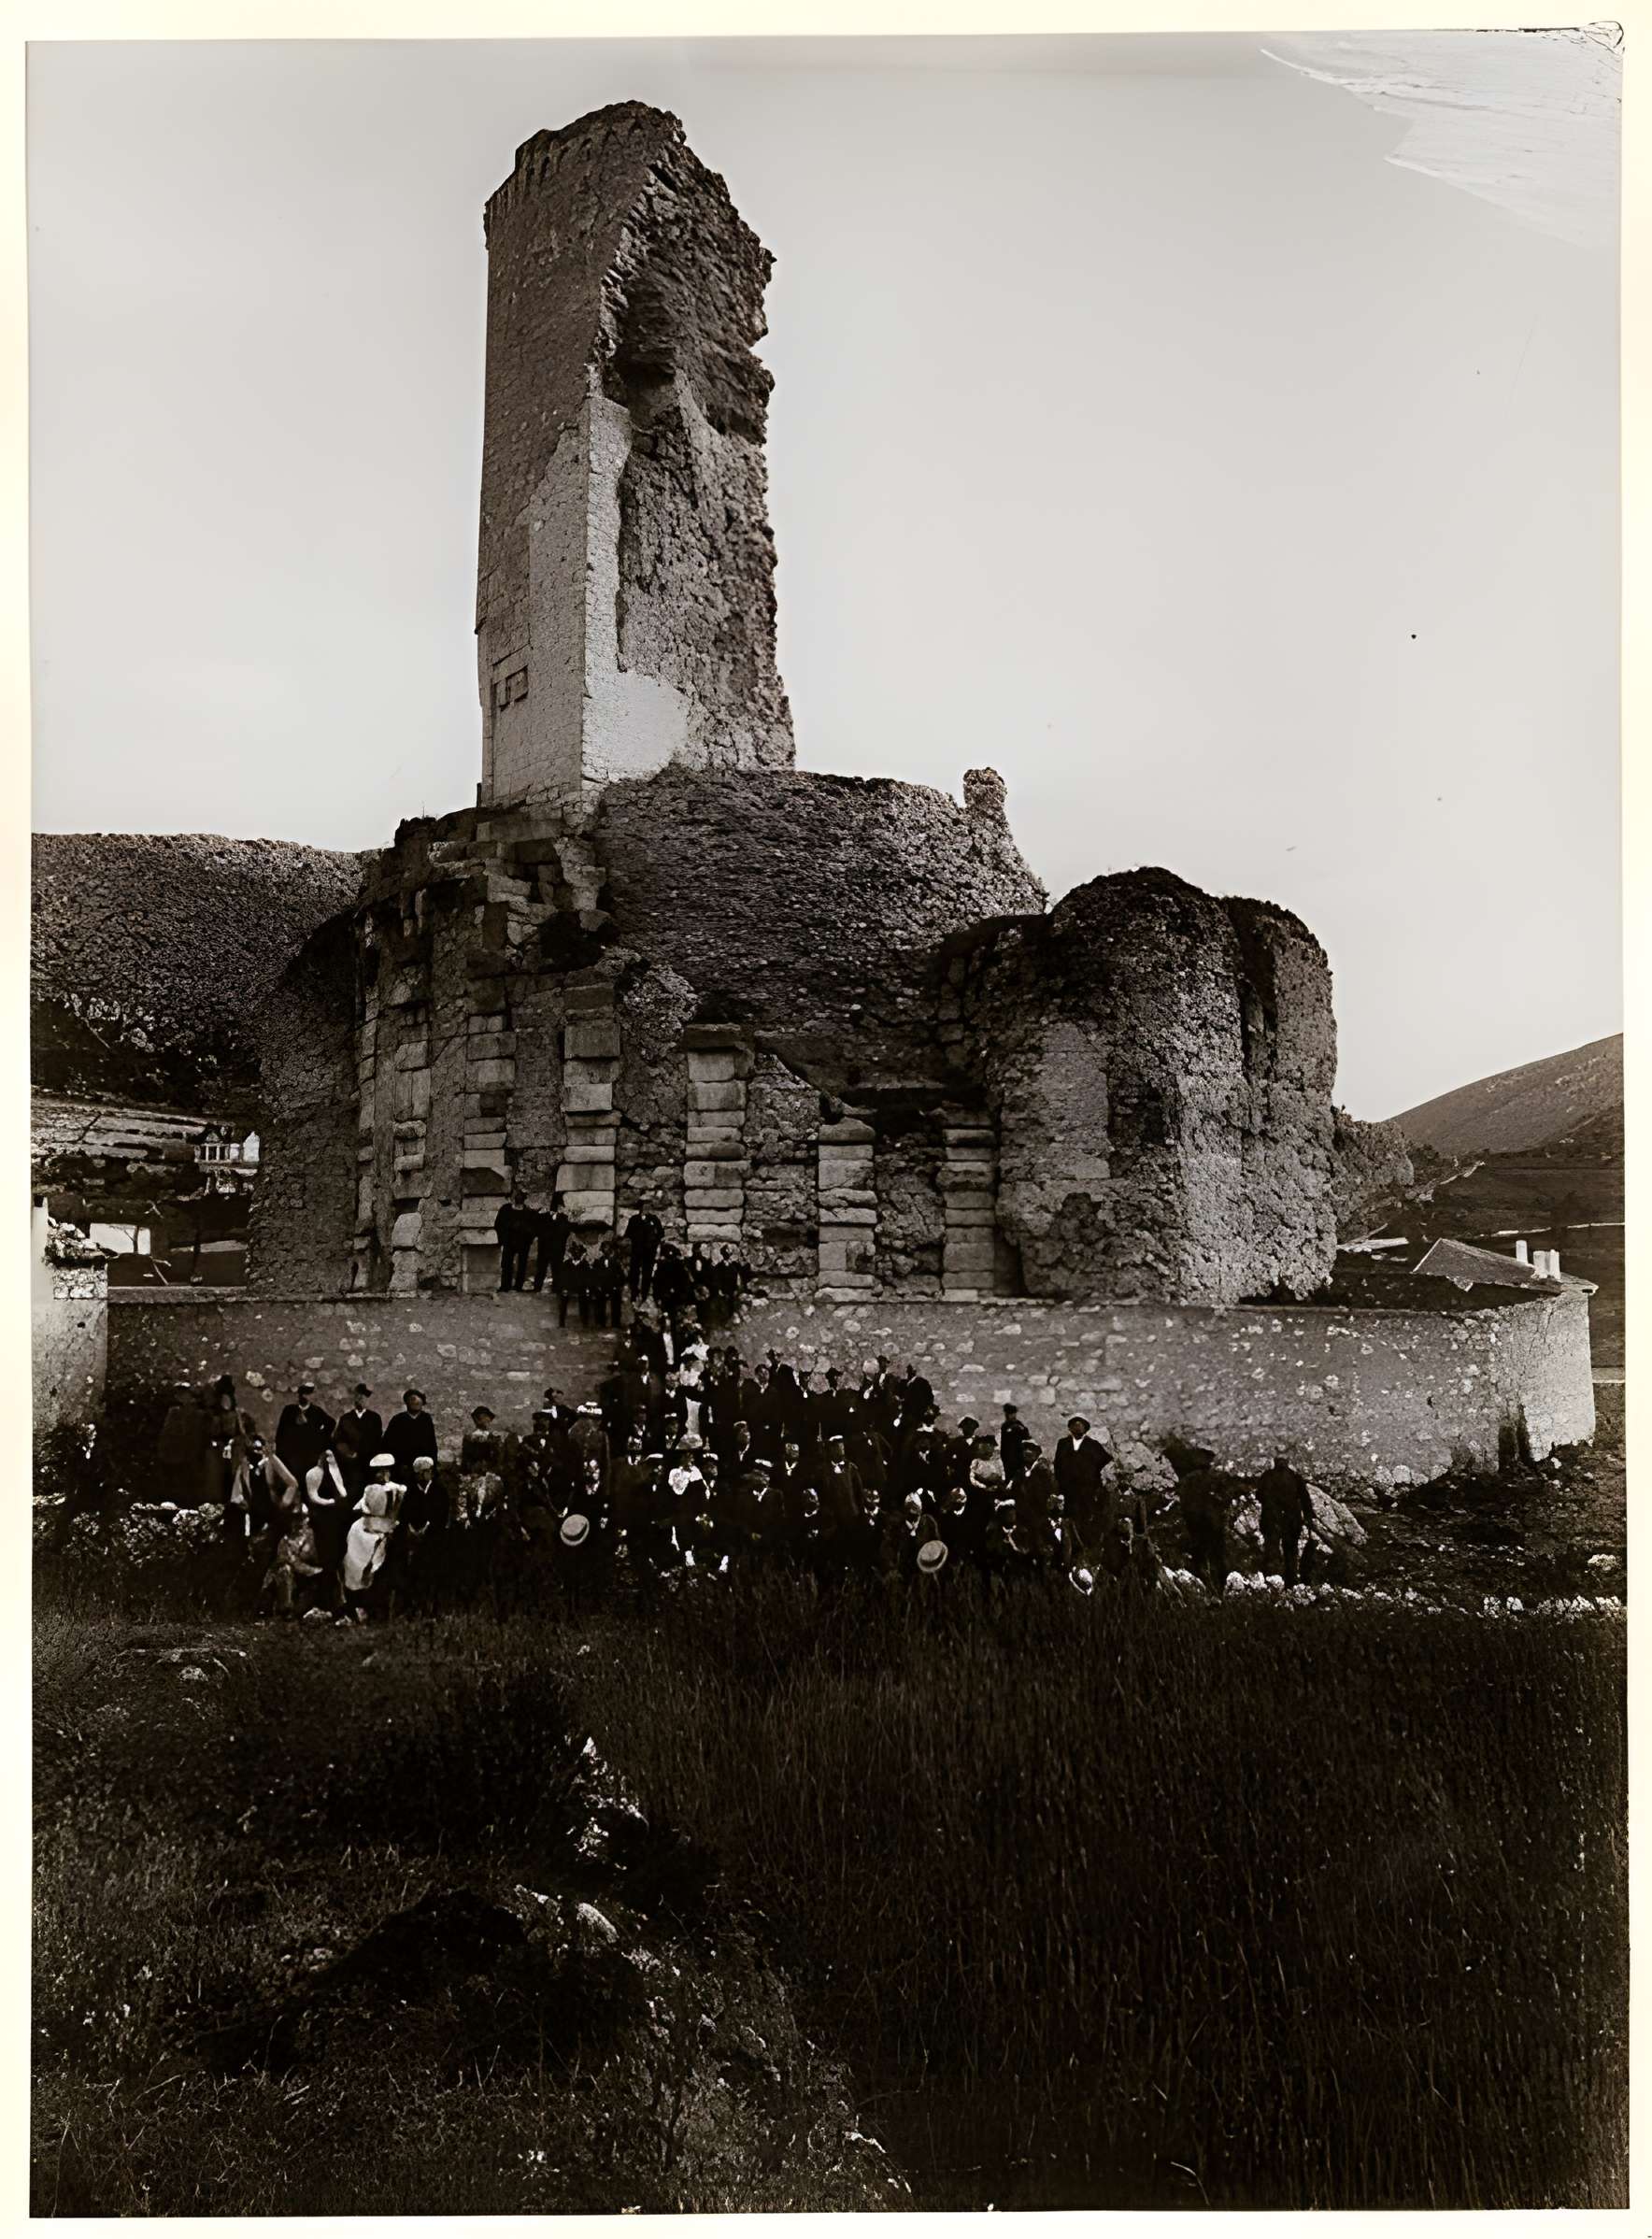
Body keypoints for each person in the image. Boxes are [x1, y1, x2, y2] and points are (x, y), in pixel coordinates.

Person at [1171, 1443, 1237, 1595]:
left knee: (1204, 1557)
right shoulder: (1215, 1478)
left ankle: (1211, 1590)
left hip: (1200, 1524)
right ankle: (1216, 1590)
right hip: (1210, 1524)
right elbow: (1226, 1498)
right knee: (1215, 1557)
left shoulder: (1191, 1480)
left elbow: (1184, 1503)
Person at [1053, 1416, 1113, 1559]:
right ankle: (1070, 1550)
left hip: (1087, 1490)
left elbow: (1106, 1460)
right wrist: (1060, 1483)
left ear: (1085, 1428)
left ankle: (1087, 1549)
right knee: (1069, 1518)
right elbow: (1057, 1464)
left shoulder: (1093, 1445)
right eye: (1074, 1425)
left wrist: (1093, 1478)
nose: (1077, 1427)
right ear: (1070, 1428)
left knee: (1085, 1518)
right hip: (1068, 1490)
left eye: (1081, 1425)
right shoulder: (1063, 1443)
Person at [342, 1481, 402, 1621]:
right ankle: (361, 1607)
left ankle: (372, 1607)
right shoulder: (357, 1527)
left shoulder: (382, 1527)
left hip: (375, 1570)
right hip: (359, 1562)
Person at [1256, 1454, 1316, 1585]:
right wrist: (1308, 1518)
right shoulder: (1295, 1477)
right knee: (1290, 1552)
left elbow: (1259, 1496)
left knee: (1272, 1551)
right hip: (1291, 1522)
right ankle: (1290, 1582)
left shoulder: (1267, 1477)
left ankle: (1271, 1581)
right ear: (1287, 1462)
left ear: (1275, 1461)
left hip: (1273, 1521)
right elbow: (1306, 1500)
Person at [275, 1379, 334, 1487]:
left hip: (309, 1455)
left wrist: (319, 1438)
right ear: (299, 1395)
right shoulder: (289, 1411)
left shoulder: (317, 1412)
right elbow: (280, 1433)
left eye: (308, 1394)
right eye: (302, 1394)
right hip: (292, 1455)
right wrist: (281, 1450)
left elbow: (331, 1424)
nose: (305, 1397)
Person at [332, 1384, 384, 1497]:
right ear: (354, 1398)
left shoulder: (374, 1418)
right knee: (352, 1493)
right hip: (351, 1466)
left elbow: (377, 1441)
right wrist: (348, 1453)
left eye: (364, 1397)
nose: (361, 1399)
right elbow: (338, 1441)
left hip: (369, 1465)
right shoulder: (346, 1418)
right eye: (358, 1396)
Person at [384, 1388, 438, 1477]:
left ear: (422, 1403)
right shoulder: (398, 1419)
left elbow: (432, 1443)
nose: (415, 1403)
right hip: (403, 1466)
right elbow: (388, 1443)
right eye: (412, 1400)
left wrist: (432, 1464)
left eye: (418, 1401)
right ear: (407, 1403)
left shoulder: (426, 1419)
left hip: (423, 1467)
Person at [495, 1184, 534, 1293]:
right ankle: (505, 1286)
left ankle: (518, 1286)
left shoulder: (528, 1213)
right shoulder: (505, 1210)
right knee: (506, 1264)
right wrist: (502, 1240)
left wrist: (528, 1239)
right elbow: (498, 1225)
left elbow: (533, 1229)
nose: (518, 1198)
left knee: (522, 1265)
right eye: (517, 1195)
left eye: (521, 1196)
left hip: (523, 1243)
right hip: (509, 1242)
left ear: (524, 1199)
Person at [534, 1199, 574, 1295]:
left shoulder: (564, 1218)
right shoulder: (543, 1217)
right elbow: (538, 1229)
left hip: (557, 1248)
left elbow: (565, 1232)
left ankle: (556, 1288)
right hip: (544, 1247)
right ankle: (537, 1287)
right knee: (541, 1268)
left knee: (557, 1269)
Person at [624, 1206, 663, 1303]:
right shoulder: (634, 1219)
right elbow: (628, 1234)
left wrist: (654, 1244)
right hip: (636, 1251)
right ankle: (634, 1294)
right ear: (640, 1208)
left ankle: (644, 1295)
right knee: (634, 1273)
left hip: (649, 1252)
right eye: (644, 1206)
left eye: (648, 1206)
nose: (646, 1208)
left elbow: (661, 1234)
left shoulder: (654, 1219)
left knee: (647, 1274)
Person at [555, 1235, 588, 1328]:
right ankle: (561, 1323)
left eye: (579, 1253)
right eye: (574, 1253)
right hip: (568, 1287)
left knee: (584, 1301)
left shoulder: (584, 1265)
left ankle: (585, 1323)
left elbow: (588, 1278)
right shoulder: (566, 1264)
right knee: (563, 1301)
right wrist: (564, 1288)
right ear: (572, 1254)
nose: (576, 1254)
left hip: (581, 1288)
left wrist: (587, 1288)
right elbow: (562, 1278)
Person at [1000, 1403, 1032, 1481]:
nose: (1013, 1416)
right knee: (1009, 1473)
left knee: (1020, 1473)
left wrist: (1020, 1428)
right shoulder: (1005, 1425)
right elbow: (1005, 1437)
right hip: (1008, 1453)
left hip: (1018, 1452)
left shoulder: (1018, 1424)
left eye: (1013, 1414)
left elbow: (1026, 1435)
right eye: (1010, 1414)